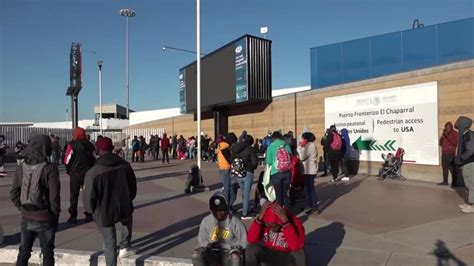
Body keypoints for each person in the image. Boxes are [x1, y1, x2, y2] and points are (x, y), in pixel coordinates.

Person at [82, 137, 137, 265]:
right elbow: (133, 187)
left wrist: (90, 211)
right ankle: (125, 245)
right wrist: (128, 199)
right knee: (127, 219)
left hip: (104, 210)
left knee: (109, 243)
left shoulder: (94, 172)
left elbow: (89, 197)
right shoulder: (125, 165)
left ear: (97, 150)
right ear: (112, 149)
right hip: (124, 206)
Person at [10, 135, 61, 266]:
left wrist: (22, 208)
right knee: (47, 252)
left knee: (24, 251)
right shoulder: (50, 168)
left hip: (27, 215)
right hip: (44, 216)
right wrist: (54, 216)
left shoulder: (21, 167)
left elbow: (14, 193)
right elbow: (54, 196)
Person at [191, 192, 247, 266]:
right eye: (215, 210)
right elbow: (202, 240)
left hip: (228, 254)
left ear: (226, 209)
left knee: (235, 256)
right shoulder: (206, 221)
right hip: (212, 253)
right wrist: (208, 245)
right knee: (195, 255)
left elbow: (245, 242)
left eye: (221, 210)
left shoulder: (235, 222)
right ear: (211, 210)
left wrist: (235, 249)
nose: (218, 213)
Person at [246, 202, 306, 266]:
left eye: (274, 226)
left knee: (300, 253)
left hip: (287, 255)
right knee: (251, 248)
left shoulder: (294, 221)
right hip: (269, 252)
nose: (271, 228)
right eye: (268, 224)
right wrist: (260, 217)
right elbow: (251, 239)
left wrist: (285, 221)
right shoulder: (264, 221)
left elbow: (296, 246)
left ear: (280, 222)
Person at [64, 127, 95, 224]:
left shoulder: (72, 145)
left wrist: (69, 169)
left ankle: (73, 216)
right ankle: (89, 214)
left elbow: (66, 160)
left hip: (75, 174)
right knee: (88, 194)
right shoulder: (90, 145)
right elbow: (94, 158)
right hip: (88, 173)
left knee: (74, 195)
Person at [231, 134, 258, 219]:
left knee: (243, 193)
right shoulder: (250, 149)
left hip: (238, 172)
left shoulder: (237, 148)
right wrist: (252, 168)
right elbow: (254, 163)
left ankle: (247, 208)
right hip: (248, 173)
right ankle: (245, 213)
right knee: (246, 194)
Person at [266, 131, 292, 206]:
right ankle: (287, 212)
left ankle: (280, 214)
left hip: (276, 173)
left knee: (278, 194)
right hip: (287, 172)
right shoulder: (286, 145)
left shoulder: (271, 146)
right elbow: (290, 156)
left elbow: (269, 161)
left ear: (273, 138)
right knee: (285, 194)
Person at [454, 117, 474, 213]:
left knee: (471, 184)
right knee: (467, 184)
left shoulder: (468, 135)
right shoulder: (464, 134)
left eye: (458, 122)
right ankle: (468, 202)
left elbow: (471, 150)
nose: (456, 124)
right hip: (466, 163)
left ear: (462, 124)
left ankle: (472, 205)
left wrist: (462, 158)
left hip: (469, 163)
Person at [297, 132, 319, 214]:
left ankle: (313, 207)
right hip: (308, 170)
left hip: (309, 171)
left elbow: (302, 157)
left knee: (309, 189)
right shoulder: (310, 145)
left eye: (302, 138)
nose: (301, 140)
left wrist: (300, 147)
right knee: (307, 189)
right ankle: (311, 205)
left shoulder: (310, 146)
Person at [217, 134, 237, 209]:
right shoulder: (225, 148)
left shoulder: (221, 146)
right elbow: (229, 159)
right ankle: (226, 207)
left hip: (222, 167)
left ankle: (227, 205)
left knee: (228, 187)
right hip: (226, 168)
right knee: (227, 188)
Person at [439, 122, 459, 186]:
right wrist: (442, 136)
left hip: (450, 154)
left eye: (449, 128)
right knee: (444, 169)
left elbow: (455, 143)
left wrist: (447, 136)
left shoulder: (455, 133)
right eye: (446, 128)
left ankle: (455, 183)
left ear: (451, 127)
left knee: (452, 169)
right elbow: (440, 143)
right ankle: (445, 181)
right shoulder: (444, 134)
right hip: (444, 154)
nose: (447, 129)